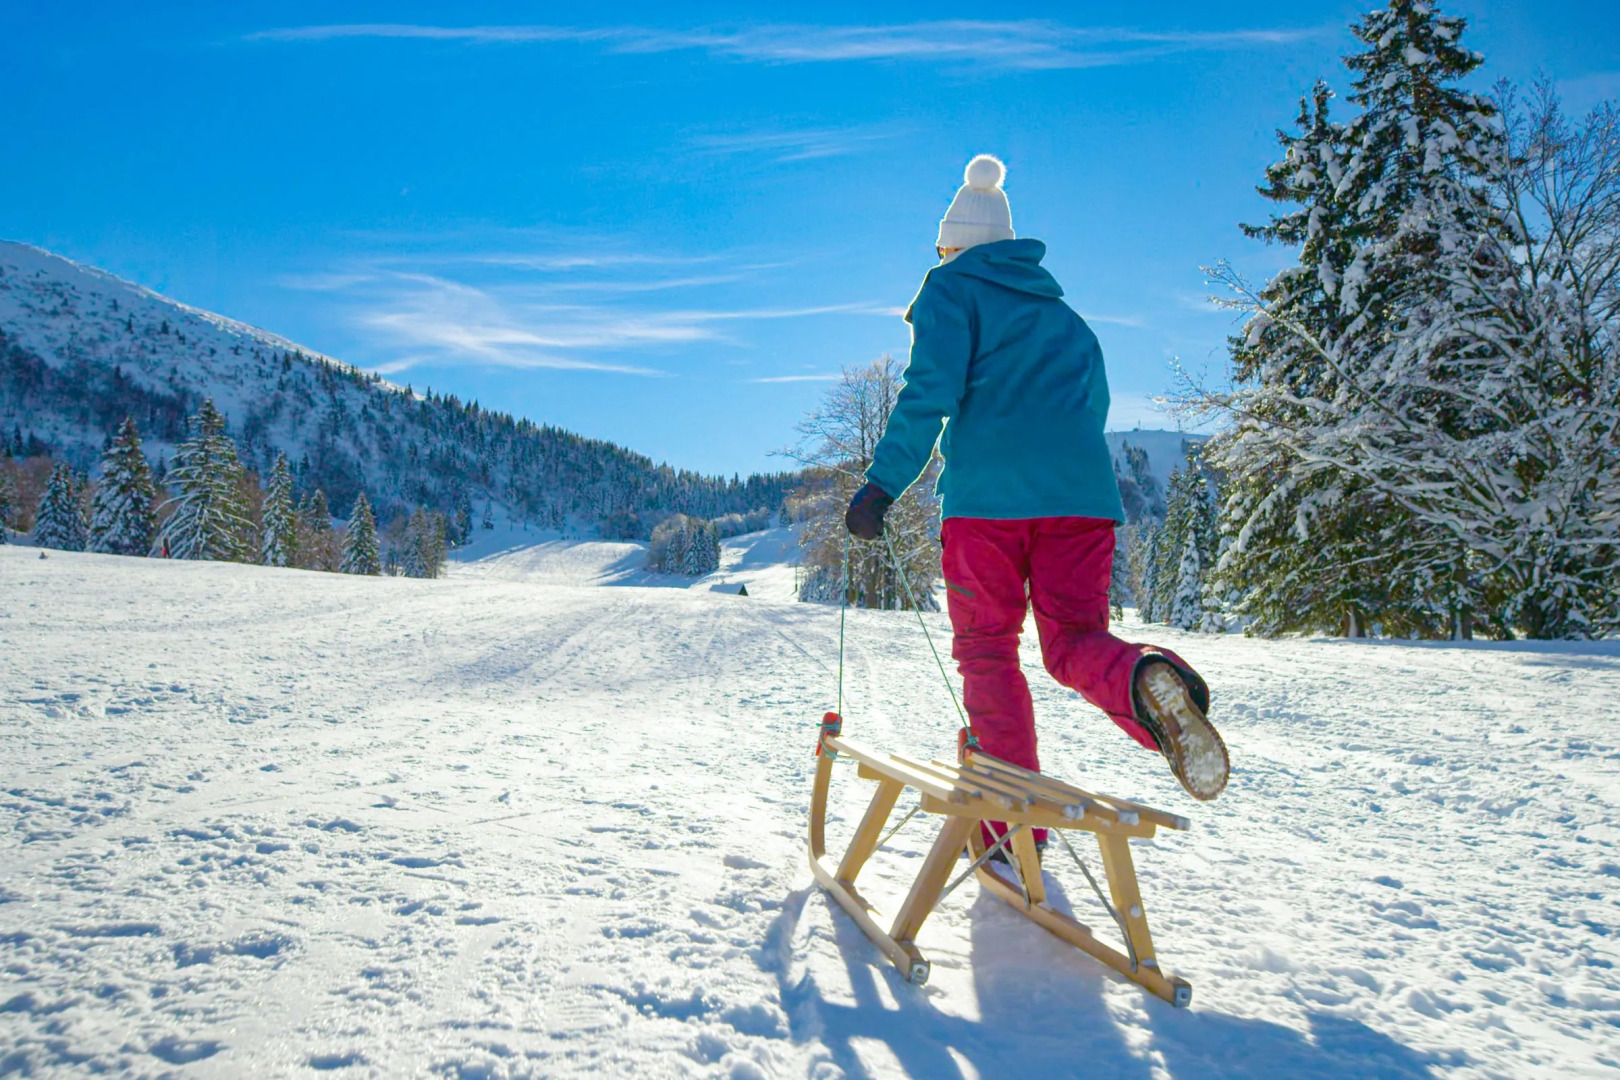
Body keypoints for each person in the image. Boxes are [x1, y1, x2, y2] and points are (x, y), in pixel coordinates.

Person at [844, 155, 1229, 846]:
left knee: (990, 652)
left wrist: (881, 486)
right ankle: (1146, 678)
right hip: (1081, 501)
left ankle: (1006, 832)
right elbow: (1093, 408)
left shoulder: (950, 290)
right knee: (1075, 642)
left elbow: (928, 393)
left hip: (987, 505)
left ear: (956, 245)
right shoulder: (1068, 320)